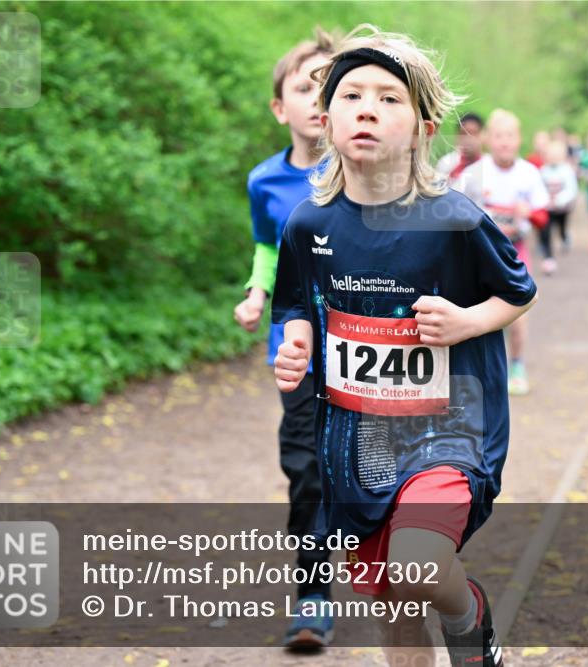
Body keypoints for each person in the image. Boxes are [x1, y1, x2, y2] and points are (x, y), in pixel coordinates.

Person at [271, 24, 537, 667]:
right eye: (351, 96)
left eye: (390, 98)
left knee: (418, 568)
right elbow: (296, 303)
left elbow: (519, 291)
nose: (367, 107)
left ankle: (468, 615)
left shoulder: (455, 220)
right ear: (326, 120)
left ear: (423, 127)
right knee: (393, 601)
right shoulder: (309, 223)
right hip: (359, 440)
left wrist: (467, 323)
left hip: (449, 430)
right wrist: (298, 343)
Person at [231, 28, 338, 650]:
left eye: (332, 86)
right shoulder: (264, 182)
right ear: (281, 107)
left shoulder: (361, 170)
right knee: (305, 470)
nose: (319, 98)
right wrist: (255, 292)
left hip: (366, 349)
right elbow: (269, 246)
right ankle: (313, 596)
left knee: (369, 469)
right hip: (294, 351)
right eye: (305, 87)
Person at [455, 109, 549, 396]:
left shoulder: (529, 173)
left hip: (515, 253)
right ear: (487, 140)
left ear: (518, 140)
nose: (504, 142)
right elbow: (453, 214)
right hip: (479, 256)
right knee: (478, 312)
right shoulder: (473, 174)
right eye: (498, 136)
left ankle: (517, 364)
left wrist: (529, 214)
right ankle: (479, 372)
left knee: (518, 313)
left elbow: (543, 217)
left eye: (509, 137)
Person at [539, 140, 578, 268]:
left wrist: (559, 200)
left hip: (562, 209)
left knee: (561, 228)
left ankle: (565, 237)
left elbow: (571, 190)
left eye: (557, 155)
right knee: (545, 230)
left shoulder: (567, 170)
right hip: (548, 208)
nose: (554, 158)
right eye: (551, 155)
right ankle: (548, 257)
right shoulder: (543, 170)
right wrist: (545, 200)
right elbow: (538, 188)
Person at [435, 111, 484, 186]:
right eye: (463, 133)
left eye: (473, 133)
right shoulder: (445, 165)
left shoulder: (490, 166)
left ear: (482, 136)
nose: (468, 138)